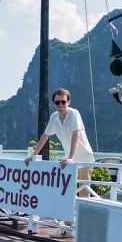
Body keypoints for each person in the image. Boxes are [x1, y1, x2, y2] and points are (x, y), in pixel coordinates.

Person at [25, 88, 97, 234]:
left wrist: (71, 157)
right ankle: (68, 229)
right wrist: (34, 155)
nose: (60, 104)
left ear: (68, 102)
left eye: (63, 102)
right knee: (68, 193)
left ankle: (84, 230)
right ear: (54, 103)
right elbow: (45, 136)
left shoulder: (74, 114)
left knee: (84, 194)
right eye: (57, 102)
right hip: (69, 162)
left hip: (84, 159)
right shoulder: (54, 118)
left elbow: (76, 135)